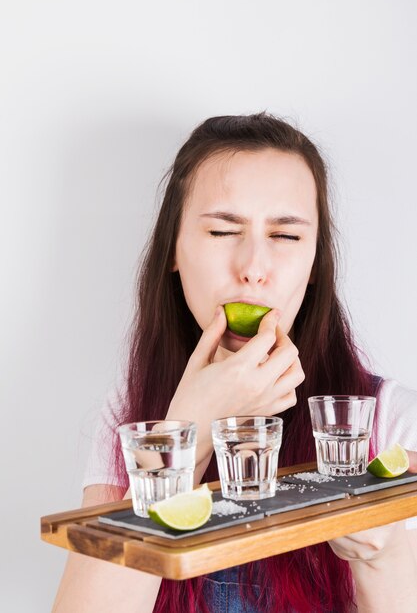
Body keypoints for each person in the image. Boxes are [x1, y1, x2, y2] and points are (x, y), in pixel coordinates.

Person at [53, 113, 417, 613]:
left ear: (315, 265)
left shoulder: (385, 422)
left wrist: (386, 555)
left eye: (286, 237)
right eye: (224, 231)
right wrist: (184, 432)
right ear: (173, 252)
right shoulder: (131, 417)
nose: (252, 269)